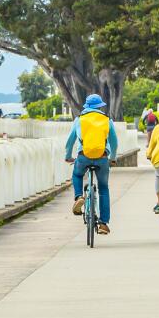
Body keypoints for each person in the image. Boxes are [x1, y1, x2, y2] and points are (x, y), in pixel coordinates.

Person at [65, 94, 119, 235]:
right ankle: (103, 223)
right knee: (103, 188)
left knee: (77, 175)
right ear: (100, 106)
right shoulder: (107, 120)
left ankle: (79, 197)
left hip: (83, 156)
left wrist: (68, 156)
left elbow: (70, 141)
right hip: (102, 157)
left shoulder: (79, 119)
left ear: (86, 106)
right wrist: (112, 158)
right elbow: (114, 142)